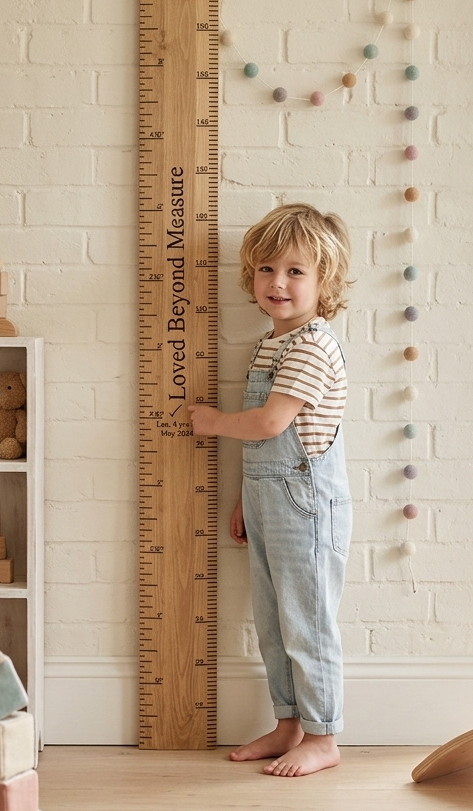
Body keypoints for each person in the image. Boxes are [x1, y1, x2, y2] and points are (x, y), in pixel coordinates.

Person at [189, 202, 353, 778]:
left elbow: (269, 424)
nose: (277, 282)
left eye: (294, 271)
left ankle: (323, 735)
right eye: (265, 270)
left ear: (324, 282)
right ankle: (288, 725)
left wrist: (211, 422)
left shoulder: (311, 344)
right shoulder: (272, 342)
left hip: (305, 506)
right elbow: (264, 445)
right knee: (273, 621)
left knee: (307, 622)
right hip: (268, 498)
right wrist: (245, 496)